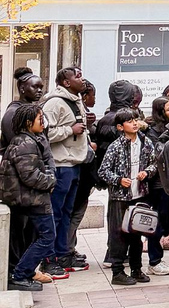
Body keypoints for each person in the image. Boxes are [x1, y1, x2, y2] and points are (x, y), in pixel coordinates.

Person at [1, 68, 58, 283]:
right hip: (29, 195)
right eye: (35, 86)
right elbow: (29, 171)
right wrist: (50, 179)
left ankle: (24, 271)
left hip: (34, 194)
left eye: (42, 87)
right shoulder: (20, 131)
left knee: (38, 236)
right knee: (40, 237)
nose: (39, 91)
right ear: (22, 87)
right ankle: (20, 272)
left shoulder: (31, 132)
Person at [98, 108, 156, 286]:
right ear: (120, 127)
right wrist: (118, 180)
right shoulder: (115, 146)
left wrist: (146, 172)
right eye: (130, 121)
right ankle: (117, 271)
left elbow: (154, 163)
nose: (134, 123)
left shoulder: (146, 143)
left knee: (137, 234)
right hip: (120, 198)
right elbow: (103, 171)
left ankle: (136, 269)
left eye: (135, 120)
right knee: (119, 235)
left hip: (140, 195)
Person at [42, 67, 91, 274]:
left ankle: (63, 254)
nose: (82, 79)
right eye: (77, 76)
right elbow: (45, 132)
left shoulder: (75, 100)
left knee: (67, 213)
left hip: (74, 164)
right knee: (56, 213)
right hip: (61, 165)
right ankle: (48, 257)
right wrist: (70, 130)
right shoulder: (54, 103)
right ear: (66, 82)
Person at [94, 80, 138, 268]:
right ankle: (114, 255)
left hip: (127, 179)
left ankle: (118, 253)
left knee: (125, 218)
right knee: (119, 219)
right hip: (120, 180)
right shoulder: (120, 121)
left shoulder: (106, 118)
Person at [144, 97, 169, 276]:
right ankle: (154, 260)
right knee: (159, 223)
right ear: (160, 113)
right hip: (160, 185)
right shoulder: (154, 133)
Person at [67, 79, 98, 266]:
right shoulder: (76, 113)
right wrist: (90, 146)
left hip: (83, 174)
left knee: (74, 214)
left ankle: (70, 247)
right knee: (72, 214)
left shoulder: (85, 115)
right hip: (79, 172)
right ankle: (66, 249)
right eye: (93, 95)